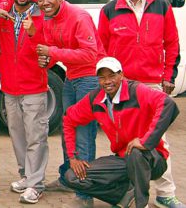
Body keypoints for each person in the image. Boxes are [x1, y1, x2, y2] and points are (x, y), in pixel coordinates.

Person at [98, 0, 183, 208]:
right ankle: (132, 194)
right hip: (122, 84)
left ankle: (165, 193)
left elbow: (172, 42)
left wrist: (169, 75)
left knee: (158, 139)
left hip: (152, 84)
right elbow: (102, 49)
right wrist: (108, 80)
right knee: (124, 139)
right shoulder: (110, 9)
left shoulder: (161, 4)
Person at [62, 57, 180, 208]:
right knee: (72, 177)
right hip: (123, 158)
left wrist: (146, 141)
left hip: (152, 159)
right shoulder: (95, 98)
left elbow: (167, 104)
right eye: (102, 77)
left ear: (122, 75)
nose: (107, 81)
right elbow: (68, 118)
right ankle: (125, 196)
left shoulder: (136, 90)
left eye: (112, 76)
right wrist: (72, 157)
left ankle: (140, 204)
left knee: (136, 152)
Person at [34, 0, 105, 207]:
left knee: (84, 135)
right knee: (68, 132)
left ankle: (85, 195)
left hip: (89, 78)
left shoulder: (79, 16)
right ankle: (68, 178)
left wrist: (51, 53)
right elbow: (55, 49)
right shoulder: (49, 19)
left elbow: (89, 54)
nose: (45, 3)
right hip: (71, 78)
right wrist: (47, 61)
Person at [0, 0, 49, 204]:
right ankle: (26, 175)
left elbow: (47, 48)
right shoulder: (4, 14)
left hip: (34, 86)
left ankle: (37, 184)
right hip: (10, 87)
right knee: (17, 135)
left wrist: (34, 33)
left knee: (36, 137)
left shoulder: (43, 15)